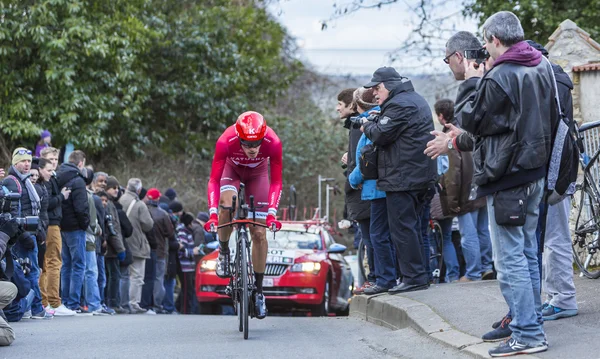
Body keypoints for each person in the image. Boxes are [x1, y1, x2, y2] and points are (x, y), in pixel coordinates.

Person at [426, 12, 555, 356]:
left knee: (511, 259)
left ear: (496, 40)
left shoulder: (501, 75)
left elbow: (470, 118)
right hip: (534, 173)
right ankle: (527, 323)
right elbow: (508, 123)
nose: (484, 48)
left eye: (486, 42)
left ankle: (528, 335)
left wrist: (470, 82)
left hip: (508, 178)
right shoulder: (540, 65)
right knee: (527, 254)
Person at [361, 67, 437, 293]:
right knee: (412, 228)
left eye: (377, 88)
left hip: (404, 178)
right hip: (416, 175)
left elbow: (380, 135)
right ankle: (416, 275)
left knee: (403, 229)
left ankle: (413, 278)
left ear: (388, 86)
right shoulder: (411, 99)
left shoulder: (399, 104)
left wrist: (366, 124)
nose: (375, 93)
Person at [203, 111, 282, 319]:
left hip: (258, 176)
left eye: (256, 143)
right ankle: (224, 252)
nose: (253, 149)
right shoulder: (225, 141)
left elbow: (276, 181)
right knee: (227, 204)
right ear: (238, 138)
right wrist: (213, 214)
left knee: (259, 233)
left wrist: (272, 214)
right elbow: (213, 180)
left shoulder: (273, 142)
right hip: (232, 171)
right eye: (246, 144)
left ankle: (258, 291)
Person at [434, 98, 492, 282]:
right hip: (481, 184)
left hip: (465, 190)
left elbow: (454, 170)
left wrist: (454, 199)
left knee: (468, 234)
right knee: (483, 229)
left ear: (441, 116)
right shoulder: (468, 127)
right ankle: (486, 267)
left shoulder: (450, 135)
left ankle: (473, 273)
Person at [348, 88, 397, 294]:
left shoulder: (367, 125)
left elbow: (364, 158)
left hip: (375, 188)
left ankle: (383, 278)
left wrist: (352, 179)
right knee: (387, 234)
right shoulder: (385, 118)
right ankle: (388, 276)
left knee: (377, 235)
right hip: (388, 186)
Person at [2, 148, 51, 319]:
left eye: (29, 161)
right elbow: (13, 215)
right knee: (29, 272)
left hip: (30, 232)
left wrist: (38, 232)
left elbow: (32, 211)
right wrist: (24, 236)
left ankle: (32, 307)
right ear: (15, 162)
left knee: (31, 271)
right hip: (21, 236)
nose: (27, 164)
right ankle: (35, 308)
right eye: (23, 161)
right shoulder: (12, 181)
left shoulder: (25, 181)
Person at [337, 88, 374, 293]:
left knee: (370, 237)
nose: (336, 108)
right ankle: (372, 278)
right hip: (364, 188)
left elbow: (360, 159)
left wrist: (352, 180)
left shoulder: (357, 126)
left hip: (362, 189)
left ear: (352, 105)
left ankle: (371, 279)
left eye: (340, 105)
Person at [39, 147, 74, 316]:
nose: (54, 162)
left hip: (52, 223)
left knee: (48, 263)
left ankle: (47, 302)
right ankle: (53, 302)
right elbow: (47, 203)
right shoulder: (44, 178)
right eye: (51, 159)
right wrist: (61, 196)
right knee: (53, 262)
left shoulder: (52, 176)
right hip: (50, 224)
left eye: (55, 159)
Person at [57, 150, 90, 314]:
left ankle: (65, 300)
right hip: (76, 228)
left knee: (66, 265)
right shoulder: (78, 181)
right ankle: (73, 302)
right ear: (81, 163)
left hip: (61, 226)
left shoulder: (57, 176)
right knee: (78, 265)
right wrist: (85, 224)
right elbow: (81, 207)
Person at [119, 178, 154, 314]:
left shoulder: (120, 200)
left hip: (121, 243)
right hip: (136, 244)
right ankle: (133, 303)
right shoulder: (140, 205)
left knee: (123, 276)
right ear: (139, 190)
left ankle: (122, 302)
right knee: (137, 276)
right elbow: (148, 224)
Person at [145, 188, 175, 313]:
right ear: (158, 198)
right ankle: (157, 305)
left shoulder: (143, 210)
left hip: (145, 249)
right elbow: (170, 233)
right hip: (160, 251)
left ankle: (146, 303)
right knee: (158, 278)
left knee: (146, 278)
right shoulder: (163, 214)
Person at [177, 212, 200, 314]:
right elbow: (181, 250)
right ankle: (185, 311)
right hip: (184, 266)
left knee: (188, 289)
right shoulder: (182, 232)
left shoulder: (187, 232)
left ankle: (184, 309)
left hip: (189, 266)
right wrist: (192, 252)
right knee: (187, 290)